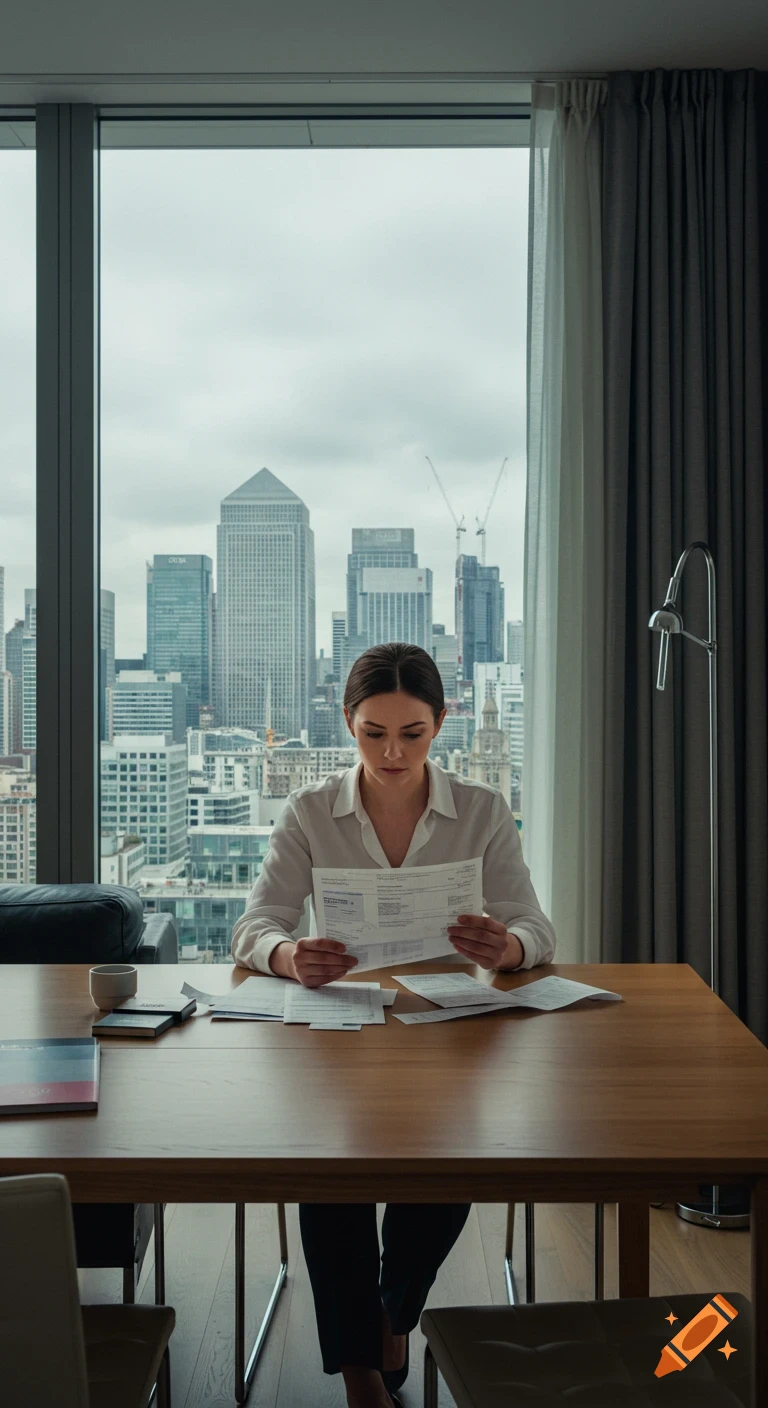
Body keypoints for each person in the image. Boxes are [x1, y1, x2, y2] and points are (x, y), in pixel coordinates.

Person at [232, 642, 556, 1408]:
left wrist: (507, 946)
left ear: (441, 724)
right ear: (348, 723)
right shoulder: (311, 811)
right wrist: (288, 955)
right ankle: (359, 1370)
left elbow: (536, 926)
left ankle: (395, 1309)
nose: (391, 752)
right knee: (329, 1176)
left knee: (449, 1164)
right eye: (374, 732)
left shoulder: (478, 809)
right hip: (338, 1034)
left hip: (446, 1032)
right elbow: (255, 926)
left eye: (411, 733)